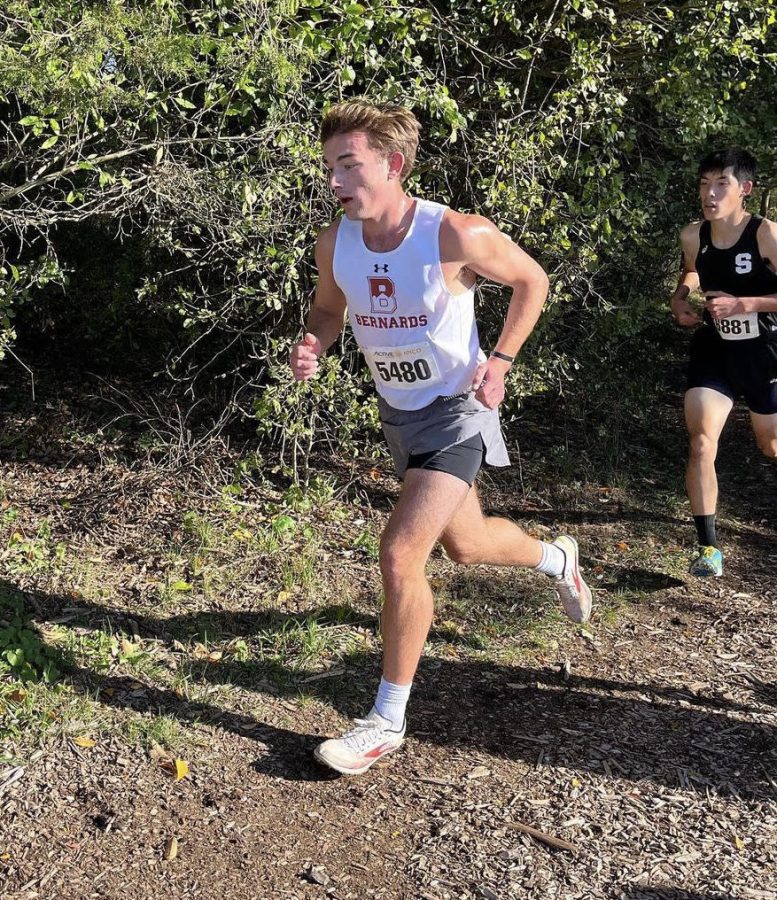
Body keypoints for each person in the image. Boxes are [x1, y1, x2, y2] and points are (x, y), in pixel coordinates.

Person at [290, 100, 593, 776]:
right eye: (329, 167)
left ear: (393, 165)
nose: (335, 181)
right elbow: (328, 307)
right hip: (400, 415)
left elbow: (531, 281)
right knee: (467, 545)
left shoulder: (454, 233)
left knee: (399, 553)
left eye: (349, 165)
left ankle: (384, 722)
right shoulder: (334, 242)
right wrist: (314, 341)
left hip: (458, 412)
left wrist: (503, 360)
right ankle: (556, 559)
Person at [670, 148, 777, 577]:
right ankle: (708, 548)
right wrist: (680, 297)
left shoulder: (766, 234)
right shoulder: (693, 234)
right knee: (700, 442)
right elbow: (693, 271)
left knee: (769, 446)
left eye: (721, 184)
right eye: (703, 184)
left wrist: (746, 302)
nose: (709, 194)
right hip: (715, 350)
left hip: (765, 352)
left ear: (744, 190)